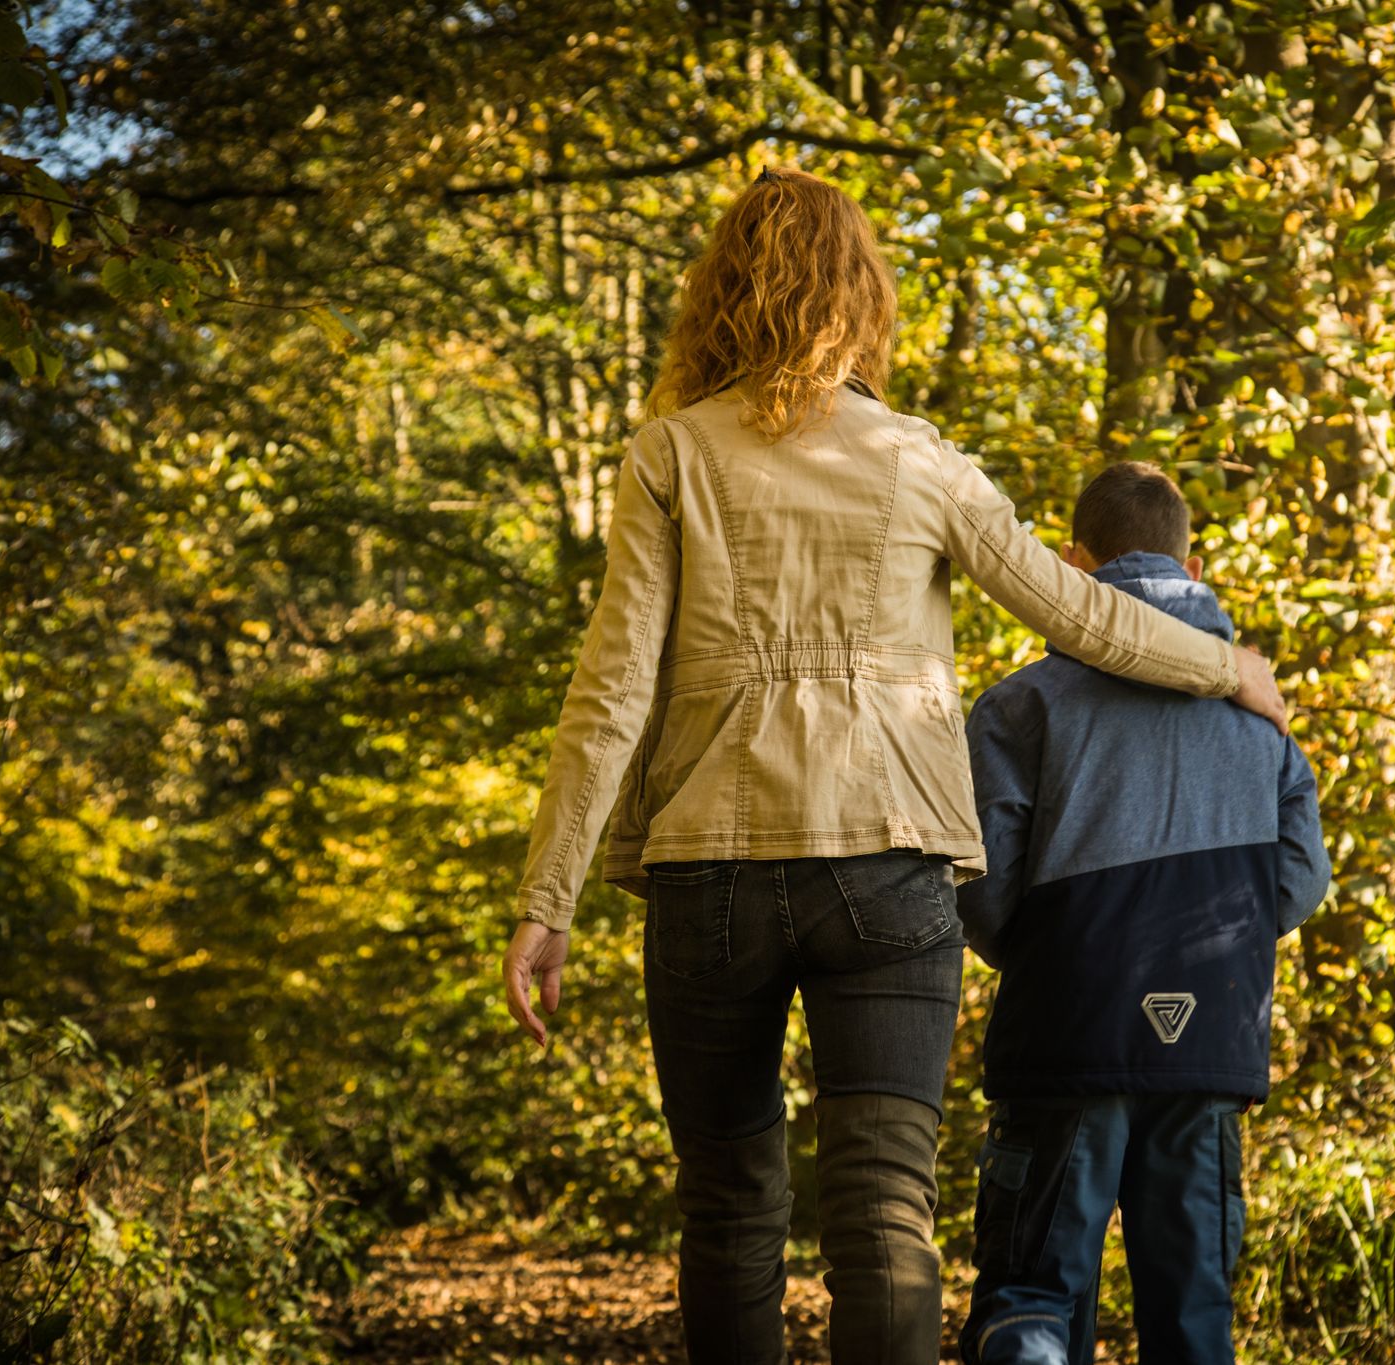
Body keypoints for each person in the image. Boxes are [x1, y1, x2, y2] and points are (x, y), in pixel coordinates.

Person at [498, 168, 1289, 1365]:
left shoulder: (669, 455)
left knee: (727, 1204)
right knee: (881, 1209)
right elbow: (1073, 612)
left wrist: (544, 902)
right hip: (888, 872)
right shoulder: (920, 460)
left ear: (718, 297)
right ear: (862, 298)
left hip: (709, 870)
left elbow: (611, 692)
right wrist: (1222, 666)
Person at [956, 461, 1332, 1365]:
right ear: (1191, 570)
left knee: (1033, 1300)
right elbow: (1300, 879)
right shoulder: (1261, 716)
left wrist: (1049, 950)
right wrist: (1221, 942)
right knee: (1193, 1313)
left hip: (1066, 1033)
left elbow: (982, 879)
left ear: (1074, 565)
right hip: (1210, 1046)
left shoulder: (1019, 707)